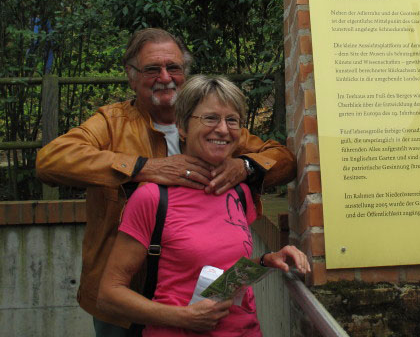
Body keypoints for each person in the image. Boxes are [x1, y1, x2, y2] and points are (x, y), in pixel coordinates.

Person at [36, 28, 295, 336]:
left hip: (197, 296)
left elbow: (283, 159)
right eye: (151, 69)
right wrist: (143, 167)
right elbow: (51, 159)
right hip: (126, 297)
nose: (165, 76)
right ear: (131, 76)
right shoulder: (112, 123)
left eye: (173, 67)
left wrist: (246, 167)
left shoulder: (212, 125)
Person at [97, 75, 309, 336]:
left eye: (231, 120)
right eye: (210, 118)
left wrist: (266, 261)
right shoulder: (152, 197)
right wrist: (183, 317)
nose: (222, 129)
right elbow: (109, 294)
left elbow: (222, 276)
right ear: (182, 127)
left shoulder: (239, 192)